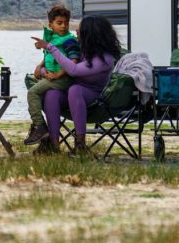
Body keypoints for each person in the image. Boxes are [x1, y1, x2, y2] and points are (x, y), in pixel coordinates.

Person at [32, 15, 122, 155]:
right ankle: (53, 144)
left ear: (90, 34)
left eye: (80, 29)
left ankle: (80, 145)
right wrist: (42, 69)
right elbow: (57, 66)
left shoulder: (105, 58)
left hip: (93, 95)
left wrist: (50, 46)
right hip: (71, 91)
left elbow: (73, 70)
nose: (76, 30)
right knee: (52, 94)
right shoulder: (80, 48)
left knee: (75, 90)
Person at [23, 4, 81, 146]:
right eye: (59, 23)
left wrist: (57, 75)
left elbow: (73, 61)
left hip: (64, 79)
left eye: (66, 23)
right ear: (51, 24)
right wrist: (40, 65)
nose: (63, 26)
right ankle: (45, 136)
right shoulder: (53, 39)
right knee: (34, 86)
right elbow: (50, 55)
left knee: (32, 93)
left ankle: (39, 126)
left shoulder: (69, 40)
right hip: (52, 76)